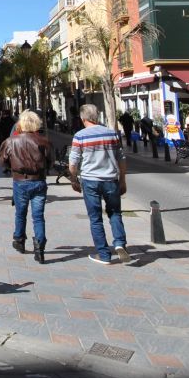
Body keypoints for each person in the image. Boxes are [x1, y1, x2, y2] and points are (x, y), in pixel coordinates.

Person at [68, 103, 129, 265]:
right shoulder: (111, 134)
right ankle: (120, 243)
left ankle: (104, 254)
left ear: (83, 118)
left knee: (95, 218)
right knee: (115, 213)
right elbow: (121, 159)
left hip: (90, 181)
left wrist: (74, 179)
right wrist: (122, 180)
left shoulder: (80, 136)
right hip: (111, 180)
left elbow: (73, 162)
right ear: (96, 116)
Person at [0, 109, 52, 263]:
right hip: (39, 181)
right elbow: (50, 161)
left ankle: (19, 240)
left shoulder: (11, 141)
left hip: (20, 181)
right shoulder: (44, 141)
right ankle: (40, 247)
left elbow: (3, 161)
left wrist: (13, 167)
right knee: (38, 216)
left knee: (20, 213)